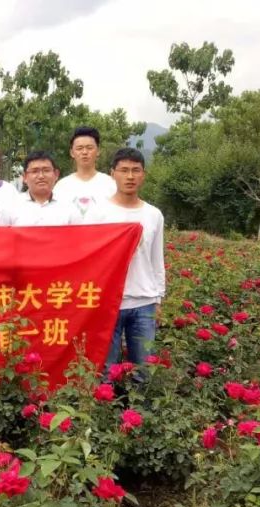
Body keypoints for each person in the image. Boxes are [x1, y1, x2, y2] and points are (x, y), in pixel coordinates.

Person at [83, 147, 165, 382]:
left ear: (143, 175)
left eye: (135, 171)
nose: (130, 176)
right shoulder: (98, 213)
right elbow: (90, 258)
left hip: (144, 302)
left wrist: (159, 297)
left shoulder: (153, 214)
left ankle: (141, 417)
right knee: (106, 370)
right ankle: (107, 416)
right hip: (108, 302)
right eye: (124, 170)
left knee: (143, 371)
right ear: (113, 174)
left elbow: (156, 258)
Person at [53, 126, 117, 219]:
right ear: (71, 152)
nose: (84, 152)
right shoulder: (61, 187)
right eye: (79, 148)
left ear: (98, 151)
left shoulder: (111, 184)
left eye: (89, 148)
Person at [12, 151, 82, 226]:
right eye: (35, 171)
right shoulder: (13, 206)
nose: (41, 176)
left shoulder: (69, 207)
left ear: (56, 174)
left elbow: (77, 236)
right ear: (25, 177)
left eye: (46, 170)